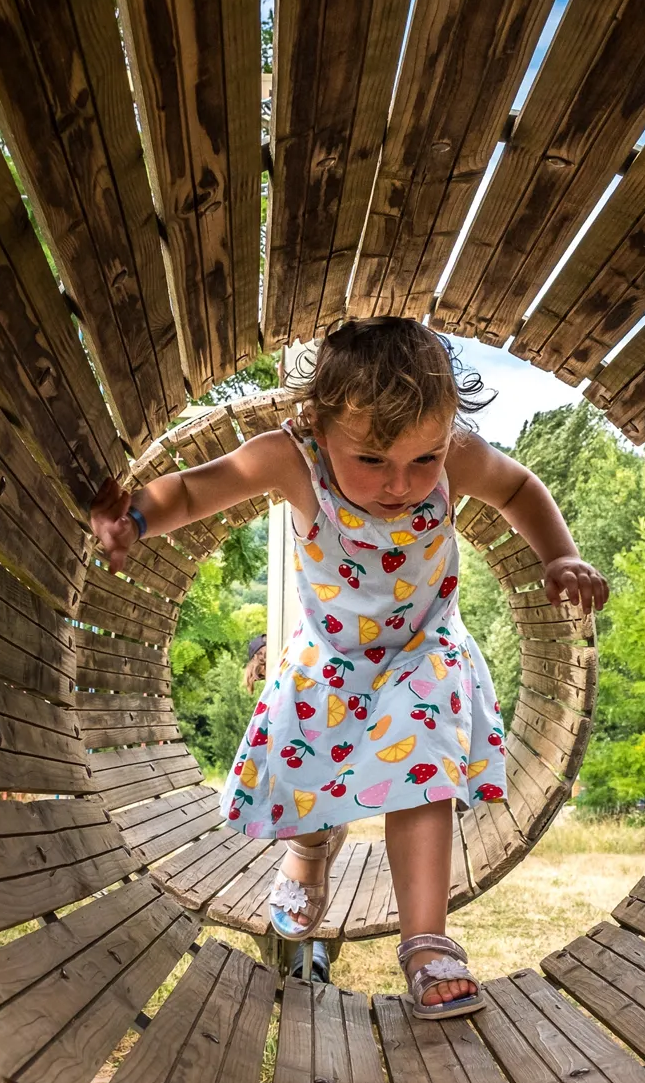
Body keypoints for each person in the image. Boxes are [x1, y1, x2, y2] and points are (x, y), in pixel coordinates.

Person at [89, 317, 607, 1018]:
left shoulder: (455, 455)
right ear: (317, 423)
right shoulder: (290, 459)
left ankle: (427, 944)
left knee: (421, 767)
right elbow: (189, 491)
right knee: (309, 777)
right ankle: (308, 855)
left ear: (446, 432)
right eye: (372, 461)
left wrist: (559, 555)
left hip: (423, 646)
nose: (401, 484)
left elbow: (518, 489)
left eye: (422, 460)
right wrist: (136, 520)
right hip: (330, 655)